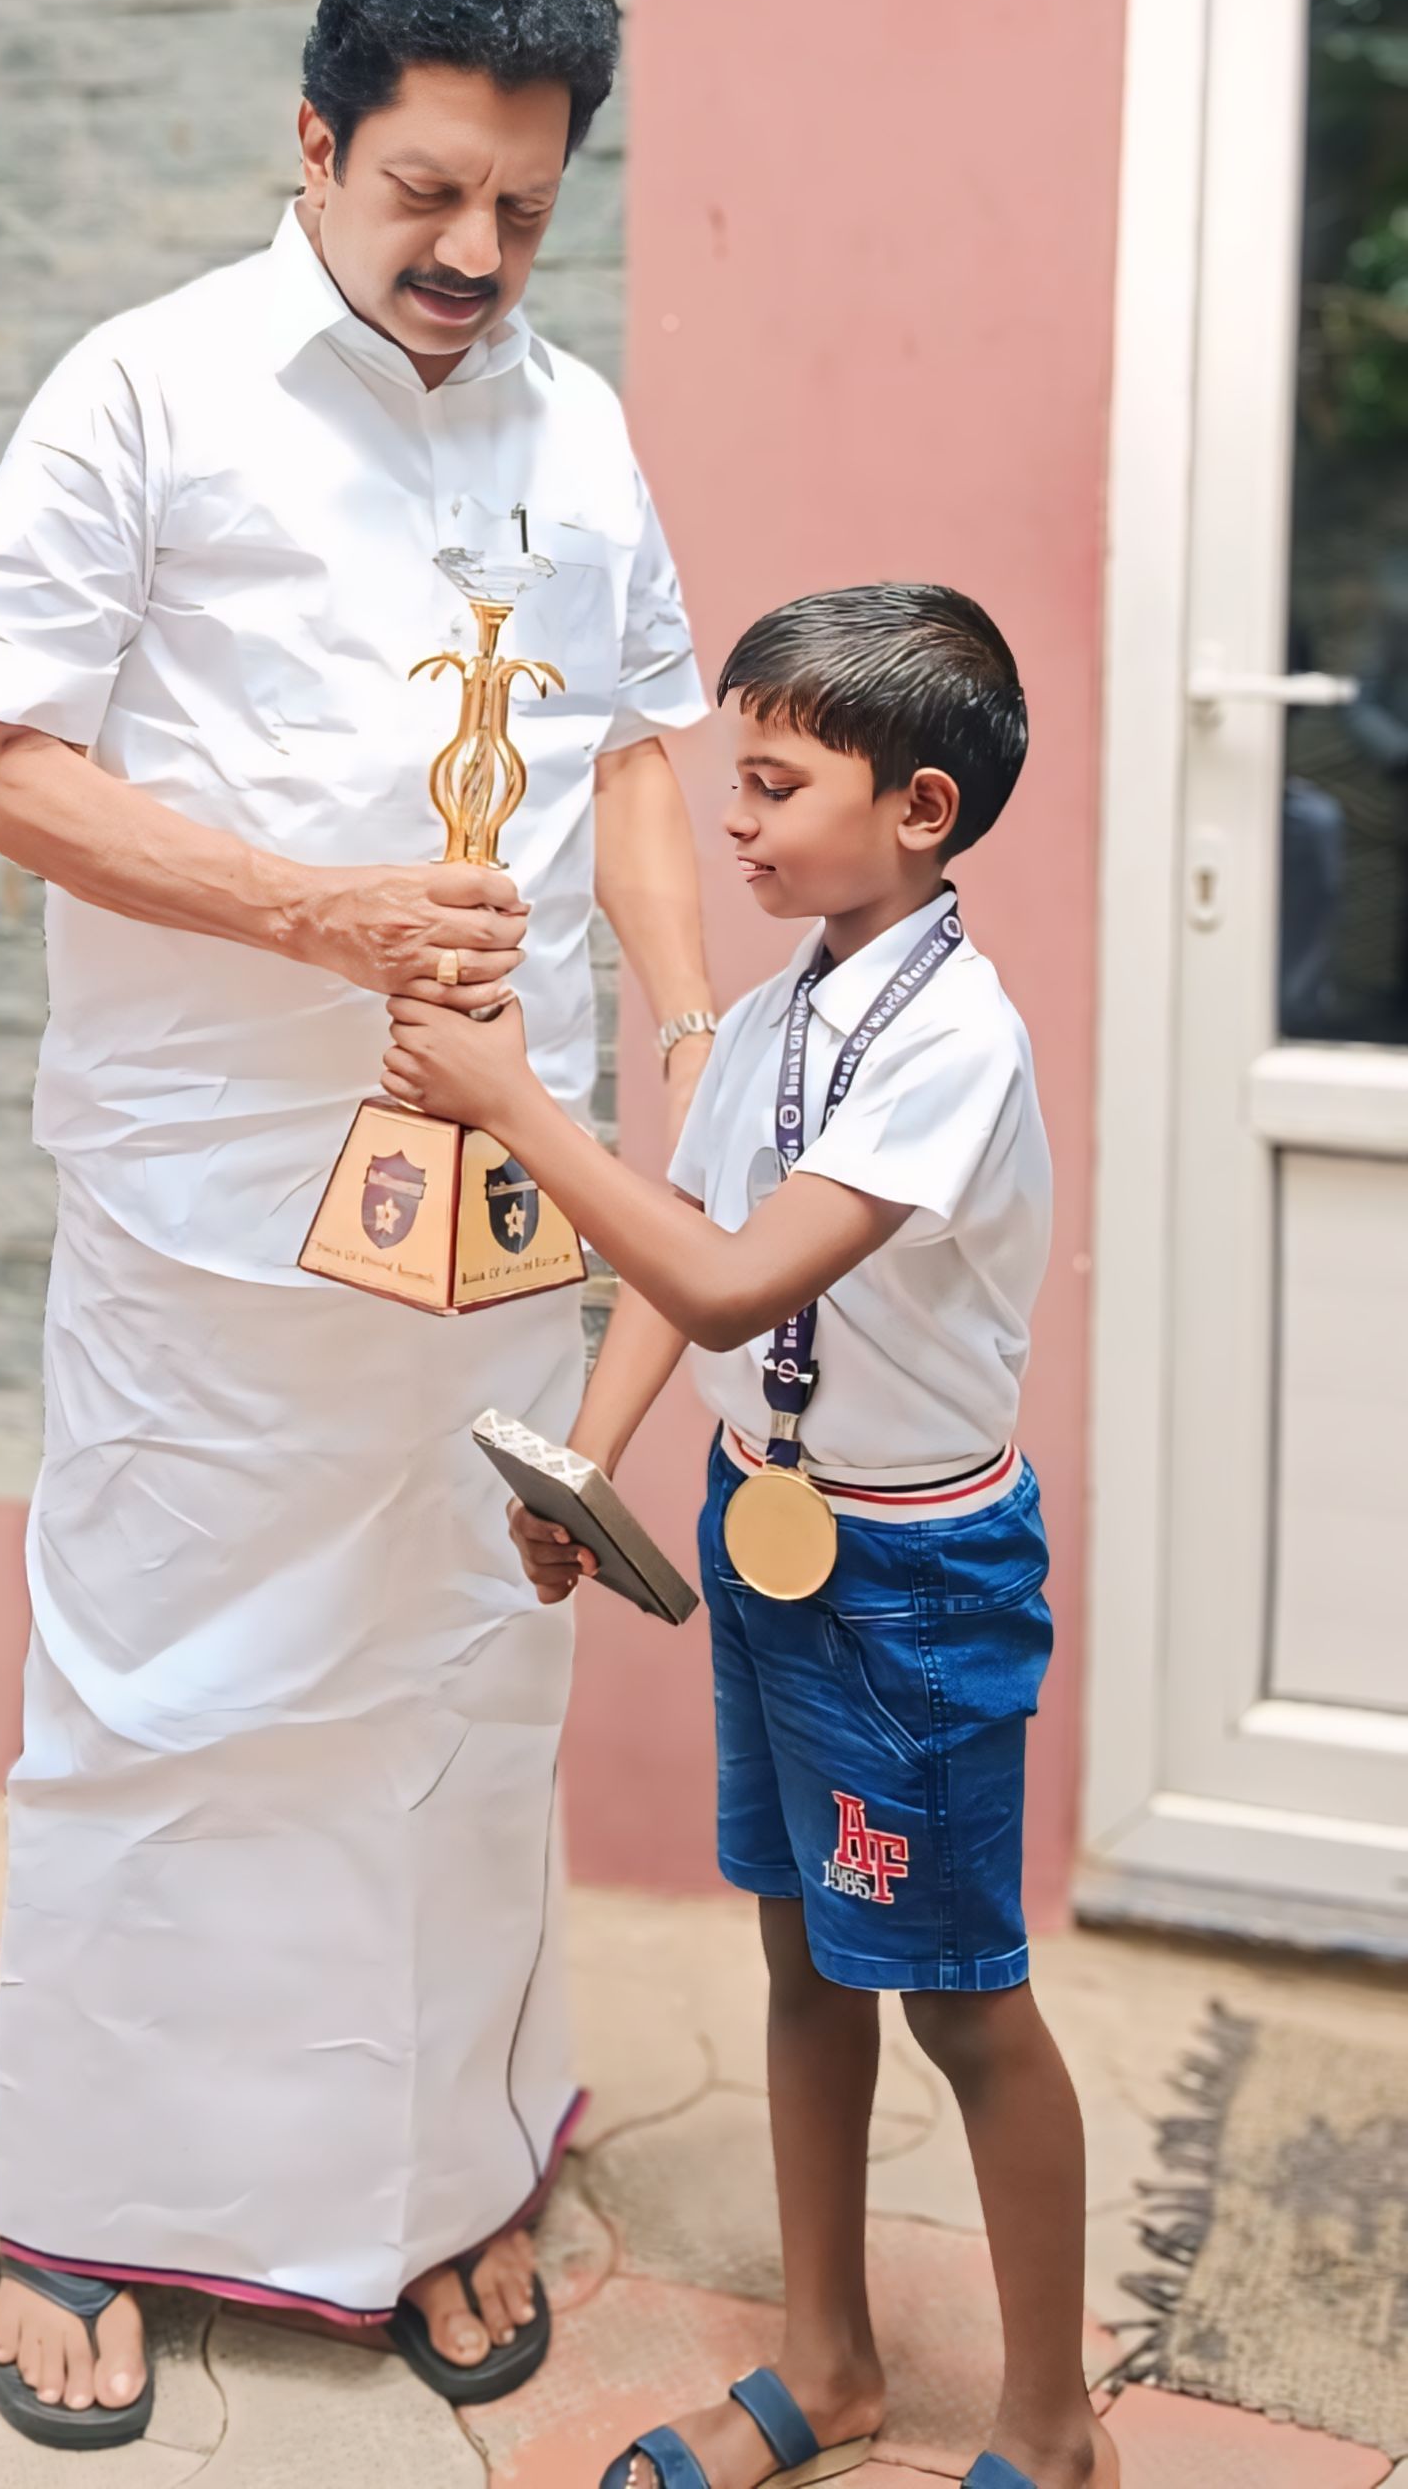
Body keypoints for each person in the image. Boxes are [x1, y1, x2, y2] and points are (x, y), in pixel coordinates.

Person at [0, 0, 717, 2446]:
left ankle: (442, 2181)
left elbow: (631, 745)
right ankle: (88, 2212)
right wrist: (320, 915)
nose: (475, 251)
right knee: (168, 1686)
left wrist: (687, 1025)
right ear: (312, 140)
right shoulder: (145, 390)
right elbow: (3, 772)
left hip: (503, 1179)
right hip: (211, 1199)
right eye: (426, 194)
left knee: (468, 1672)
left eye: (525, 208)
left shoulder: (576, 424)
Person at [384, 582, 1117, 2489]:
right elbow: (679, 1257)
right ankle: (829, 2364)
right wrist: (584, 1468)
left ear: (921, 812)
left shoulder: (952, 1041)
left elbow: (727, 1283)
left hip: (912, 1585)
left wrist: (511, 1102)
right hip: (763, 1531)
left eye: (775, 784)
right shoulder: (791, 1007)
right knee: (799, 1963)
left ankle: (1054, 2432)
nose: (733, 818)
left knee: (961, 2002)